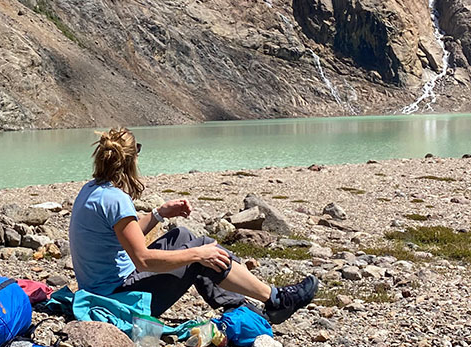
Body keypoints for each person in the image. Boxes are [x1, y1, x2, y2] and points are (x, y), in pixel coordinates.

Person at [68, 127, 319, 322]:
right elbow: (142, 260)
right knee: (201, 249)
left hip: (102, 291)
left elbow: (124, 238)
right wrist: (197, 254)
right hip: (120, 301)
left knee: (182, 235)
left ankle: (244, 307)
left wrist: (159, 213)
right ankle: (276, 298)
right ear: (131, 160)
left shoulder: (91, 191)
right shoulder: (116, 199)